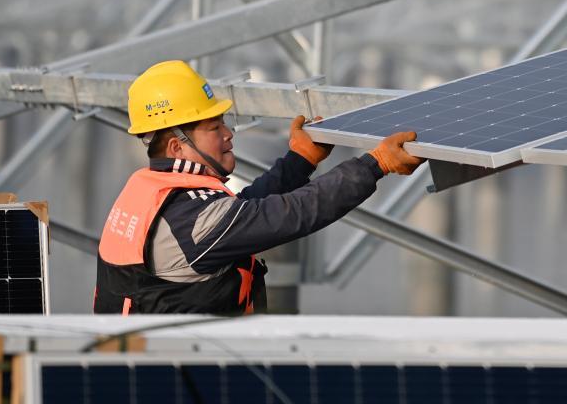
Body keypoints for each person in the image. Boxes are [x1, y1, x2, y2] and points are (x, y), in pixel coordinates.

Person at [94, 60, 423, 315]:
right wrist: (375, 164)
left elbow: (241, 213)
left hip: (147, 364)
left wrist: (300, 161)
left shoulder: (153, 192)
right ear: (177, 147)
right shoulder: (192, 222)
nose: (228, 134)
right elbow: (290, 214)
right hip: (181, 373)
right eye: (214, 127)